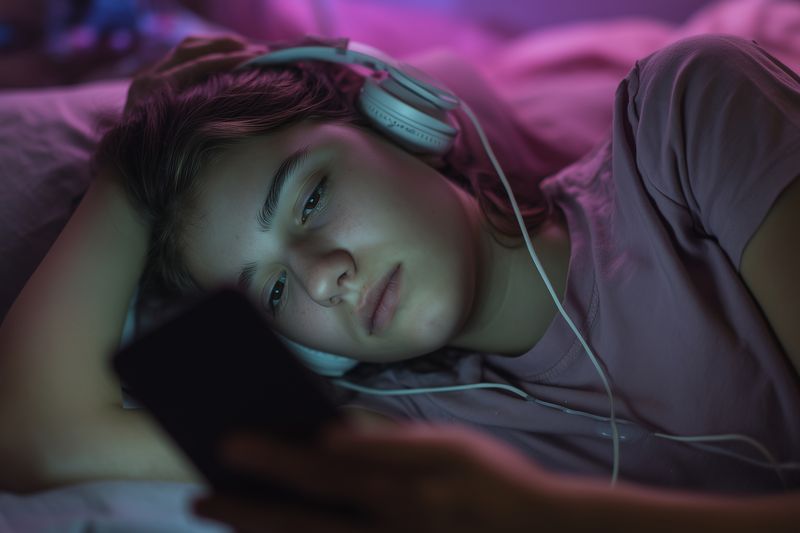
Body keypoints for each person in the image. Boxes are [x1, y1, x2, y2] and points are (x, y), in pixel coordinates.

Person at [0, 33, 797, 532]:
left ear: (399, 126)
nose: (324, 277)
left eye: (311, 198)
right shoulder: (416, 438)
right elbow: (35, 437)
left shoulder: (685, 123)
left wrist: (543, 518)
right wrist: (123, 177)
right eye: (272, 292)